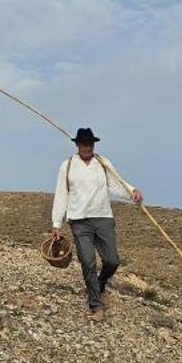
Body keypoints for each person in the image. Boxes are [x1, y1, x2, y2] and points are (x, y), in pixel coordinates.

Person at [50, 127, 143, 322]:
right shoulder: (67, 166)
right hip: (79, 221)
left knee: (112, 261)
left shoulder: (103, 163)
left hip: (103, 218)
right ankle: (95, 304)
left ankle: (100, 283)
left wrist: (132, 192)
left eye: (90, 143)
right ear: (77, 145)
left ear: (93, 144)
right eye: (83, 143)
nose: (87, 147)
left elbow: (117, 184)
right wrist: (56, 223)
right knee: (87, 261)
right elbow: (61, 194)